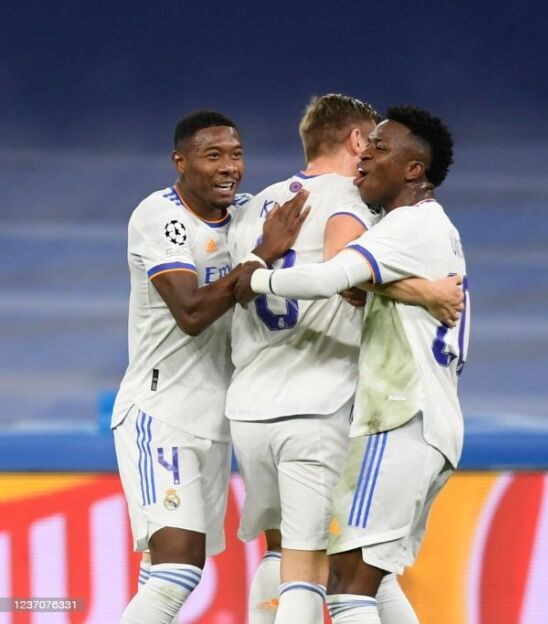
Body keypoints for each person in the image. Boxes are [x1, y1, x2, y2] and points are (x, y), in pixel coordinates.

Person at [226, 95, 464, 624]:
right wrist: (425, 291)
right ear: (357, 141)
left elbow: (343, 274)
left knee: (290, 553)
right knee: (327, 572)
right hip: (324, 403)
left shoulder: (254, 208)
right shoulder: (353, 203)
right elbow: (341, 274)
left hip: (250, 406)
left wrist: (253, 271)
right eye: (371, 141)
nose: (370, 154)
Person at [111, 110, 307, 624]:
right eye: (213, 155)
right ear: (180, 162)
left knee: (163, 572)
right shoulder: (160, 216)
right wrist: (261, 256)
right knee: (178, 571)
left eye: (236, 155)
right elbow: (192, 313)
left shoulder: (246, 214)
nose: (228, 167)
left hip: (221, 419)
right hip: (162, 414)